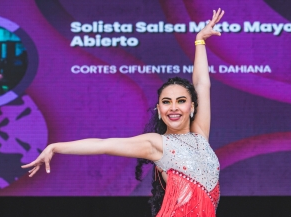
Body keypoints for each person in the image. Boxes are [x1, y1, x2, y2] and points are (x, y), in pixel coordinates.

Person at [22, 8, 224, 217]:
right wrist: (56, 147)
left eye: (181, 101)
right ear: (159, 109)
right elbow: (104, 144)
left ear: (192, 107)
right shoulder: (157, 144)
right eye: (166, 102)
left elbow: (201, 84)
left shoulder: (200, 135)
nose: (173, 107)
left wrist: (200, 41)